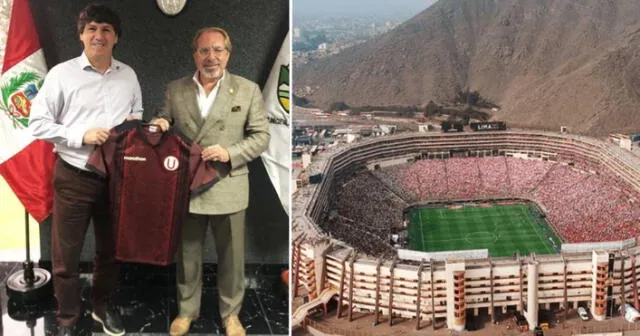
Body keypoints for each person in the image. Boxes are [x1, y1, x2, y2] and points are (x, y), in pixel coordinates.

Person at [29, 3, 142, 336]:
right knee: (66, 255)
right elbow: (37, 123)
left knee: (110, 251)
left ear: (116, 37)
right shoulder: (61, 75)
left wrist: (138, 127)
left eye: (106, 29)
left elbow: (136, 112)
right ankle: (67, 317)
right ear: (81, 34)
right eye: (92, 28)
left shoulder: (129, 74)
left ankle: (101, 308)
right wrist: (82, 135)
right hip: (74, 176)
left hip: (117, 179)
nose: (99, 35)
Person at [150, 27, 269, 336]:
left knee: (232, 259)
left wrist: (230, 152)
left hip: (227, 184)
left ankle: (231, 315)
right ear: (195, 55)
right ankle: (187, 311)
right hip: (188, 185)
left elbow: (261, 137)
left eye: (218, 50)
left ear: (228, 55)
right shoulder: (176, 89)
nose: (211, 57)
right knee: (188, 255)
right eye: (204, 51)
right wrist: (161, 122)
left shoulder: (248, 90)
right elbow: (164, 118)